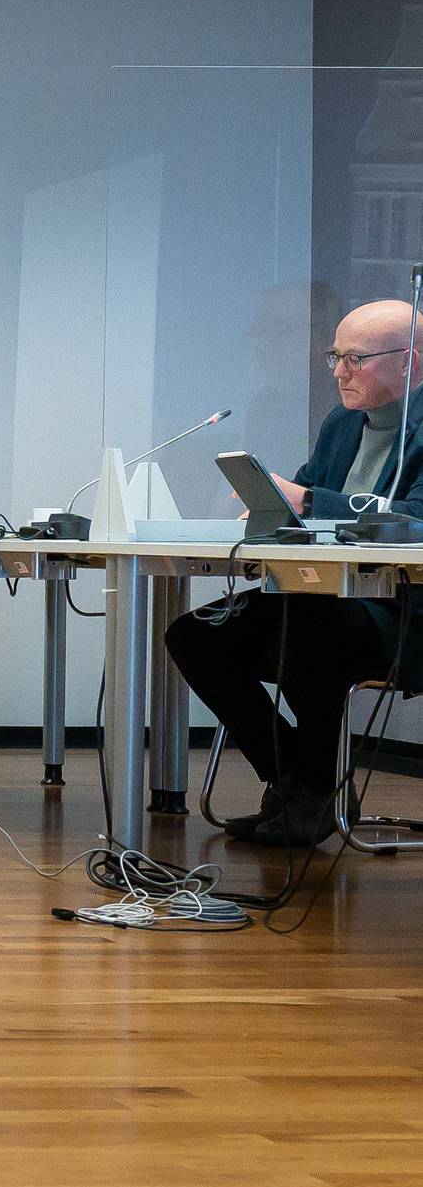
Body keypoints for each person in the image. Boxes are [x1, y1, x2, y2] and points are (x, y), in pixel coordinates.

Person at [168, 298, 423, 848]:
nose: (338, 372)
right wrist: (272, 511)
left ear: (409, 360)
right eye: (335, 357)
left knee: (311, 631)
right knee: (193, 635)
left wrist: (306, 500)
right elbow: (309, 502)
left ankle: (311, 790)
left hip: (402, 615)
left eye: (355, 359)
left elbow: (416, 521)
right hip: (322, 601)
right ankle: (298, 779)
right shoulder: (341, 424)